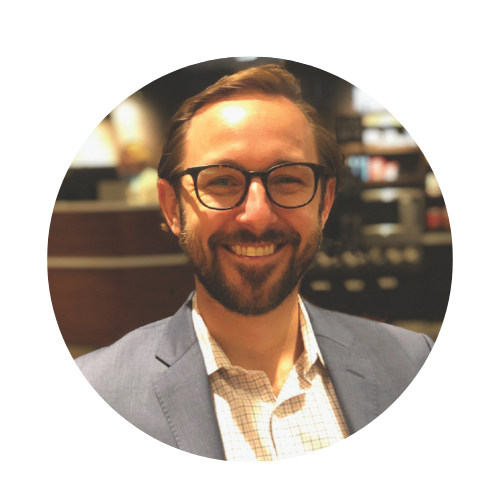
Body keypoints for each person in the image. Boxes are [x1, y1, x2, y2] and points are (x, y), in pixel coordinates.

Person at [75, 64, 434, 461]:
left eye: (288, 179)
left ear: (325, 202)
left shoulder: (410, 362)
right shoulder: (104, 389)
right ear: (173, 208)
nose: (257, 216)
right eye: (222, 181)